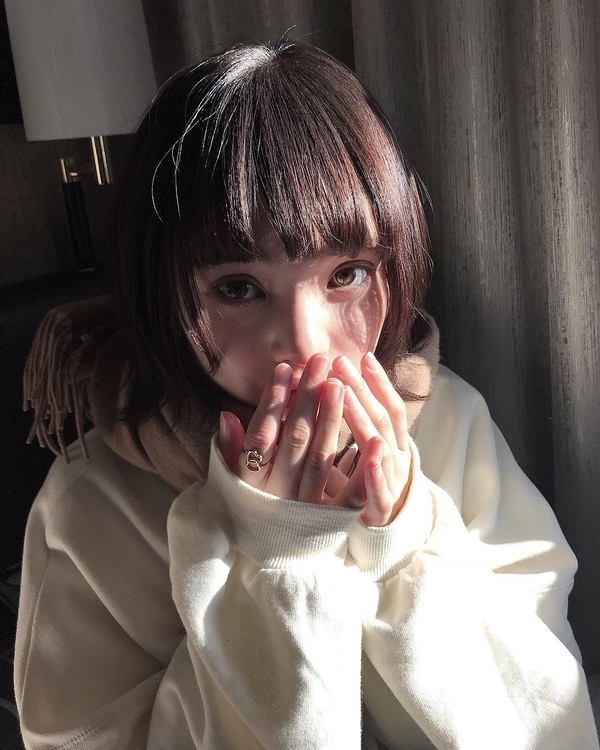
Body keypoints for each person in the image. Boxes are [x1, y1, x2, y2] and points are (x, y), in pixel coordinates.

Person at [15, 41, 598, 750]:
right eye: (238, 288)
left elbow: (544, 701)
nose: (304, 342)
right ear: (162, 291)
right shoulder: (94, 499)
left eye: (346, 275)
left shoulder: (448, 419)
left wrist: (407, 542)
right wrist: (272, 570)